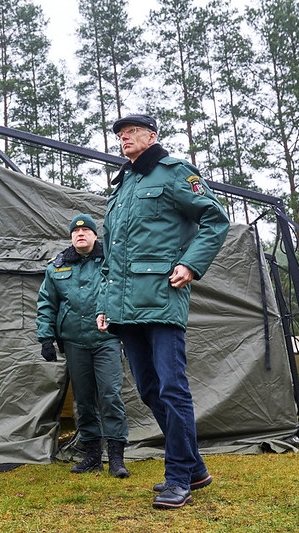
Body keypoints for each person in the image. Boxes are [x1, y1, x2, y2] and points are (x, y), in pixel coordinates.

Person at [95, 114, 230, 510]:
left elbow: (214, 219)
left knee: (172, 388)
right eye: (120, 136)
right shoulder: (121, 188)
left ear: (152, 136)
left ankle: (178, 479)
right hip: (124, 306)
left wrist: (190, 264)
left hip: (162, 296)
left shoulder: (174, 173)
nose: (124, 140)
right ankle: (196, 468)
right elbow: (111, 257)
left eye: (132, 133)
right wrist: (105, 305)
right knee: (150, 390)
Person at [36, 214, 130, 478]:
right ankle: (91, 456)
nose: (80, 235)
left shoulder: (110, 260)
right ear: (70, 238)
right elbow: (47, 303)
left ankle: (116, 457)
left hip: (107, 340)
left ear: (94, 235)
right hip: (75, 342)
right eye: (75, 233)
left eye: (86, 231)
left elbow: (123, 292)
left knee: (110, 395)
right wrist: (46, 338)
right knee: (84, 400)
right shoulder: (58, 267)